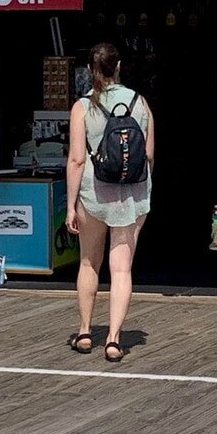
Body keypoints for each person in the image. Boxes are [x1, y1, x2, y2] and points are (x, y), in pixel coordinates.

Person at [66, 42, 152, 363]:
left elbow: (76, 159)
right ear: (118, 67)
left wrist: (71, 204)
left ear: (90, 69)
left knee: (89, 261)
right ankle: (114, 339)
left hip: (93, 192)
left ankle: (86, 331)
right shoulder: (139, 103)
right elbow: (149, 154)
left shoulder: (82, 106)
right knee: (121, 268)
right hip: (131, 195)